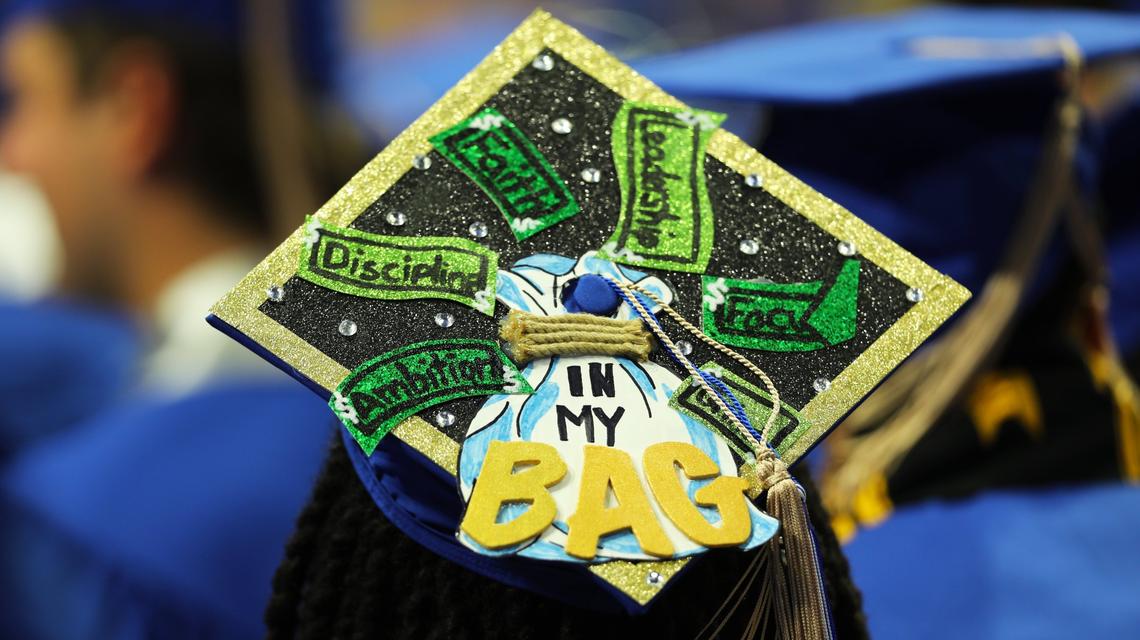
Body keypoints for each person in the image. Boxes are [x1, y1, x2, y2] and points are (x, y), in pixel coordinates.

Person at [0, 1, 362, 637]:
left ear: (134, 108)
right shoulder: (431, 433)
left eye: (22, 101)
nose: (11, 157)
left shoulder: (99, 516)